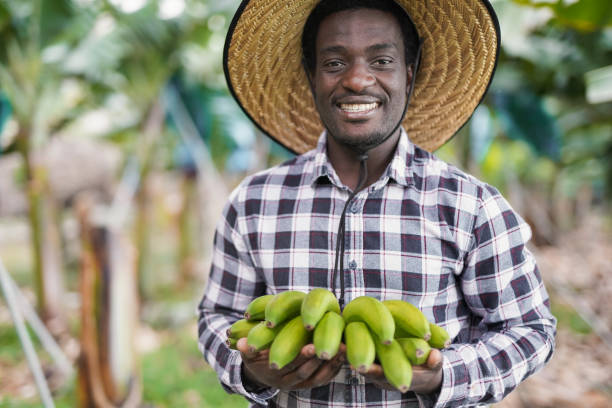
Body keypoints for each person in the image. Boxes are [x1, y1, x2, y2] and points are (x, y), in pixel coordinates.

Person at [197, 0, 556, 406]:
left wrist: (443, 374)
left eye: (381, 60)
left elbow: (531, 329)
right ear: (311, 76)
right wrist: (248, 369)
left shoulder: (470, 205)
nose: (356, 79)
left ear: (409, 73)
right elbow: (217, 316)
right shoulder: (253, 203)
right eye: (334, 63)